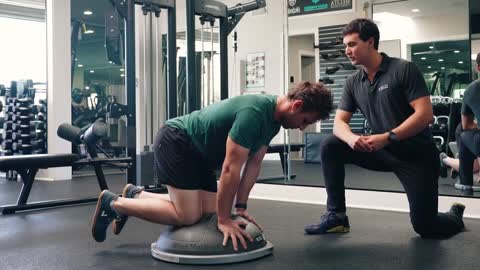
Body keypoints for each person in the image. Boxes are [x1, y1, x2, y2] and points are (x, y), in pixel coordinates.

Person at [91, 81, 333, 250]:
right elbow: (230, 169)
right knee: (188, 215)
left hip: (199, 154)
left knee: (208, 212)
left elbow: (253, 165)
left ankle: (136, 195)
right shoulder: (255, 114)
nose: (302, 127)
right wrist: (225, 220)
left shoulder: (274, 123)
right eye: (304, 121)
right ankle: (115, 204)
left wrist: (240, 206)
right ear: (297, 105)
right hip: (178, 140)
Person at [304, 18, 465, 239]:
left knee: (426, 226)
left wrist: (387, 137)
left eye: (352, 44)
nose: (347, 51)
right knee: (331, 145)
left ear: (370, 42)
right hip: (382, 150)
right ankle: (337, 216)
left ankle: (455, 215)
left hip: (416, 156)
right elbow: (339, 123)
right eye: (345, 46)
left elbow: (425, 115)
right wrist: (351, 139)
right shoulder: (354, 82)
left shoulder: (404, 69)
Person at [455, 52, 480, 190]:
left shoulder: (472, 89)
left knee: (462, 133)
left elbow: (466, 125)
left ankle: (466, 183)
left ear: (478, 68)